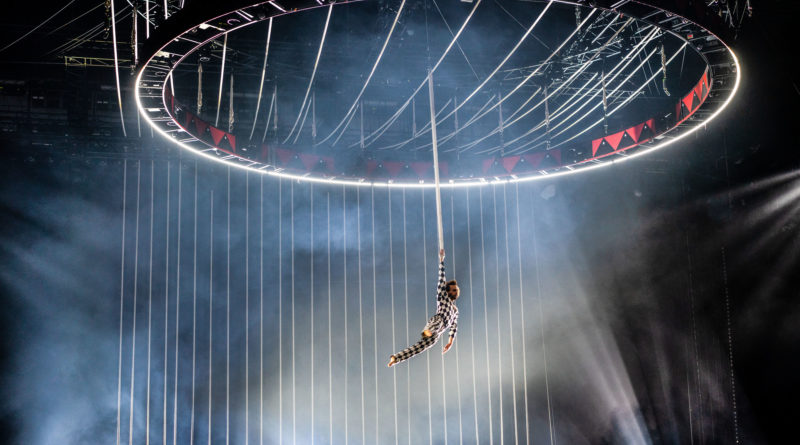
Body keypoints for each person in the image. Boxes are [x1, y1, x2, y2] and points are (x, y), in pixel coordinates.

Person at [388, 248, 459, 367]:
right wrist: (441, 261)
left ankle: (396, 358)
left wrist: (450, 342)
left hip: (438, 333)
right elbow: (441, 281)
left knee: (419, 348)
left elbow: (454, 326)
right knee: (437, 324)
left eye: (456, 290)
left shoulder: (455, 311)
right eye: (452, 289)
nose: (454, 291)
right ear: (447, 291)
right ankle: (428, 331)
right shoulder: (443, 297)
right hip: (437, 321)